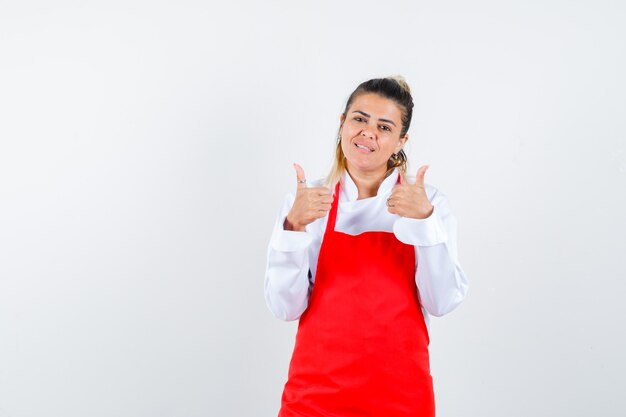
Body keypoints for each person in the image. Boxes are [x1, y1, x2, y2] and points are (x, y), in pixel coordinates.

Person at [264, 76, 469, 417]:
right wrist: (293, 228)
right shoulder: (306, 202)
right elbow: (285, 308)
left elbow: (442, 301)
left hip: (401, 400)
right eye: (359, 118)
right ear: (342, 123)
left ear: (401, 141)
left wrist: (424, 223)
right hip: (315, 400)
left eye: (384, 126)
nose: (368, 132)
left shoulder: (428, 203)